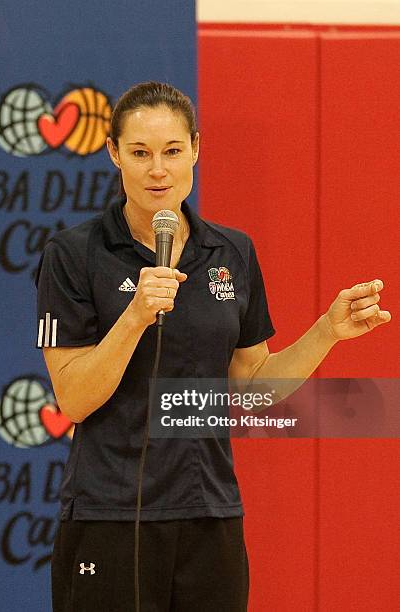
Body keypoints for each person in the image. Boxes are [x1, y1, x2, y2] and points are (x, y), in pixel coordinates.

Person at [35, 81, 391, 612]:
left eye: (173, 151)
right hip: (110, 515)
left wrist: (325, 333)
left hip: (210, 514)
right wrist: (134, 317)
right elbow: (75, 399)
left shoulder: (232, 250)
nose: (158, 170)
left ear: (196, 149)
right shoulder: (73, 254)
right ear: (114, 154)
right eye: (140, 153)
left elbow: (250, 391)